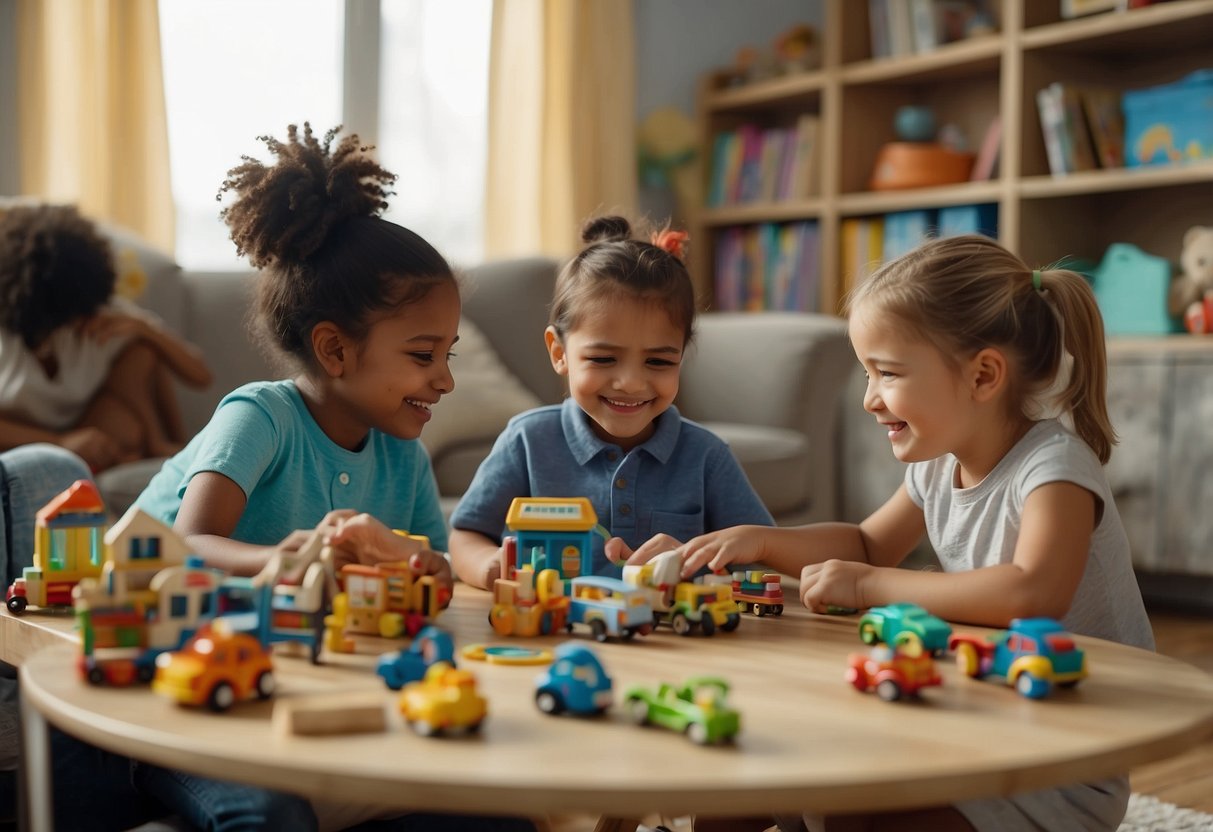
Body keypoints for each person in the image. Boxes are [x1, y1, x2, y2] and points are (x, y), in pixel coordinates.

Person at [646, 234, 1155, 832]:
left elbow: (1032, 593)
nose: (868, 399)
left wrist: (869, 587)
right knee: (750, 778)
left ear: (984, 375)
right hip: (976, 726)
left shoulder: (1055, 469)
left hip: (1057, 765)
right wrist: (758, 541)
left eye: (886, 373)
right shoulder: (938, 464)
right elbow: (865, 543)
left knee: (851, 814)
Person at [131, 123, 532, 832]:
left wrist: (413, 558)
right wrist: (282, 559)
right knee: (272, 816)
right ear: (334, 350)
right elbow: (186, 544)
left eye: (448, 353)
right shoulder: (259, 418)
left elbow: (433, 578)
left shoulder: (401, 453)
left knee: (494, 815)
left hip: (295, 677)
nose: (442, 379)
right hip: (175, 677)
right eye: (421, 354)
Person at [448, 215, 773, 590]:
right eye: (603, 359)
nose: (631, 383)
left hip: (668, 640)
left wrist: (694, 560)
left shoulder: (706, 455)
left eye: (659, 362)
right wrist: (490, 566)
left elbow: (761, 556)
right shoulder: (528, 440)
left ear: (682, 357)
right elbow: (465, 535)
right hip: (552, 629)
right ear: (559, 352)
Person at [0, 203, 213, 472]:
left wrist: (145, 328)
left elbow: (201, 376)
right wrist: (60, 442)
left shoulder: (97, 313)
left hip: (89, 427)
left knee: (142, 352)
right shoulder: (8, 336)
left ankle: (160, 445)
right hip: (22, 440)